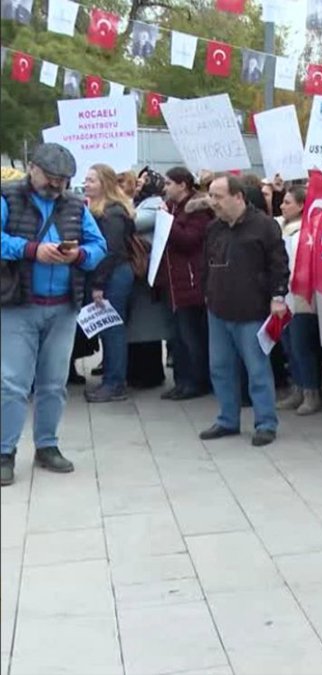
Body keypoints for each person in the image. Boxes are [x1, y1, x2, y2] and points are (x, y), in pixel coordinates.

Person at [1, 143, 108, 487]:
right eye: (51, 177)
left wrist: (79, 256)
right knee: (12, 383)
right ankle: (4, 452)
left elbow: (99, 246)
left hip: (63, 307)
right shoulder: (7, 197)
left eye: (63, 179)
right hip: (18, 304)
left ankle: (47, 445)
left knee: (54, 383)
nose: (57, 184)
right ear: (32, 168)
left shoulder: (75, 205)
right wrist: (31, 250)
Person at [198, 174, 290, 447]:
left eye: (218, 196)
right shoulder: (214, 227)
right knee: (220, 367)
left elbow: (279, 264)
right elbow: (206, 263)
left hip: (252, 310)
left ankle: (265, 423)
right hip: (218, 308)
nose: (212, 202)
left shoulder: (264, 226)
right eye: (211, 196)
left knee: (257, 369)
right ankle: (227, 419)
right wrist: (206, 292)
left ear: (238, 196)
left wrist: (278, 296)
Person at [81, 165, 136, 402]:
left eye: (91, 180)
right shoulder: (100, 210)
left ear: (104, 184)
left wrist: (99, 285)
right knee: (108, 329)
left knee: (112, 330)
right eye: (86, 180)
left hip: (113, 275)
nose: (86, 184)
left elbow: (111, 251)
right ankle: (112, 379)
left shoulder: (112, 213)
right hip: (109, 274)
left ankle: (115, 383)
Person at [159, 168, 212, 400]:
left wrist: (167, 222)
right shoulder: (172, 207)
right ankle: (181, 381)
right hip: (173, 281)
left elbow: (189, 240)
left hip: (190, 281)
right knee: (177, 337)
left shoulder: (197, 210)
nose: (165, 188)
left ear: (182, 185)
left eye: (169, 183)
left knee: (191, 336)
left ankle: (196, 381)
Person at [276, 186, 322, 416]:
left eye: (288, 202)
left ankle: (311, 392)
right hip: (283, 296)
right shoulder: (281, 227)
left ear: (302, 205)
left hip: (301, 296)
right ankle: (297, 388)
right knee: (288, 345)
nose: (282, 206)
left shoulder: (306, 231)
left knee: (301, 346)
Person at [126, 169, 172, 390]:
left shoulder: (154, 206)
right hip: (142, 275)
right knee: (140, 327)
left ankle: (148, 374)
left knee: (145, 329)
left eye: (143, 180)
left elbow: (130, 223)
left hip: (146, 276)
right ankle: (141, 372)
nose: (138, 183)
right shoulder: (142, 204)